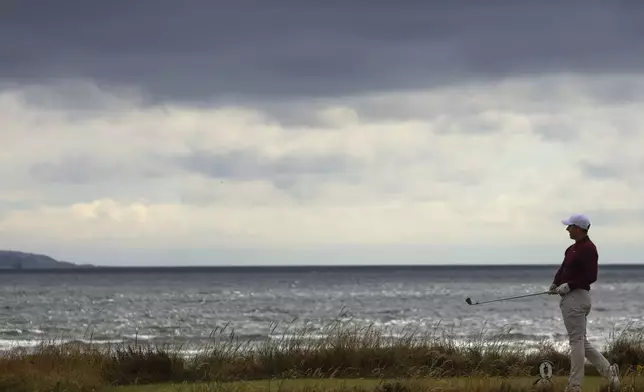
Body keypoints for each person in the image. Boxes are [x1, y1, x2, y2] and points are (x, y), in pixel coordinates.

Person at [549, 213, 620, 392]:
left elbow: (590, 276)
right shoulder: (571, 249)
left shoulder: (589, 248)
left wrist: (569, 285)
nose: (567, 229)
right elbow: (563, 268)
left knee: (576, 342)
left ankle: (575, 386)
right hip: (571, 297)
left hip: (576, 297)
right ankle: (610, 373)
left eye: (570, 226)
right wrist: (555, 283)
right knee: (582, 342)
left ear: (579, 228)